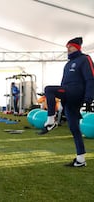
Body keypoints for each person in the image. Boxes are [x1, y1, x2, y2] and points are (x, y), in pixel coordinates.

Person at [40, 37, 94, 167]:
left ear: (77, 47)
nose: (68, 49)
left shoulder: (84, 59)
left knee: (48, 89)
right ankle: (80, 160)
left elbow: (91, 78)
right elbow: (63, 83)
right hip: (68, 97)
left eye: (70, 47)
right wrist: (61, 100)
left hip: (76, 92)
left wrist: (89, 97)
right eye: (67, 47)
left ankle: (51, 120)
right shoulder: (68, 64)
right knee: (74, 128)